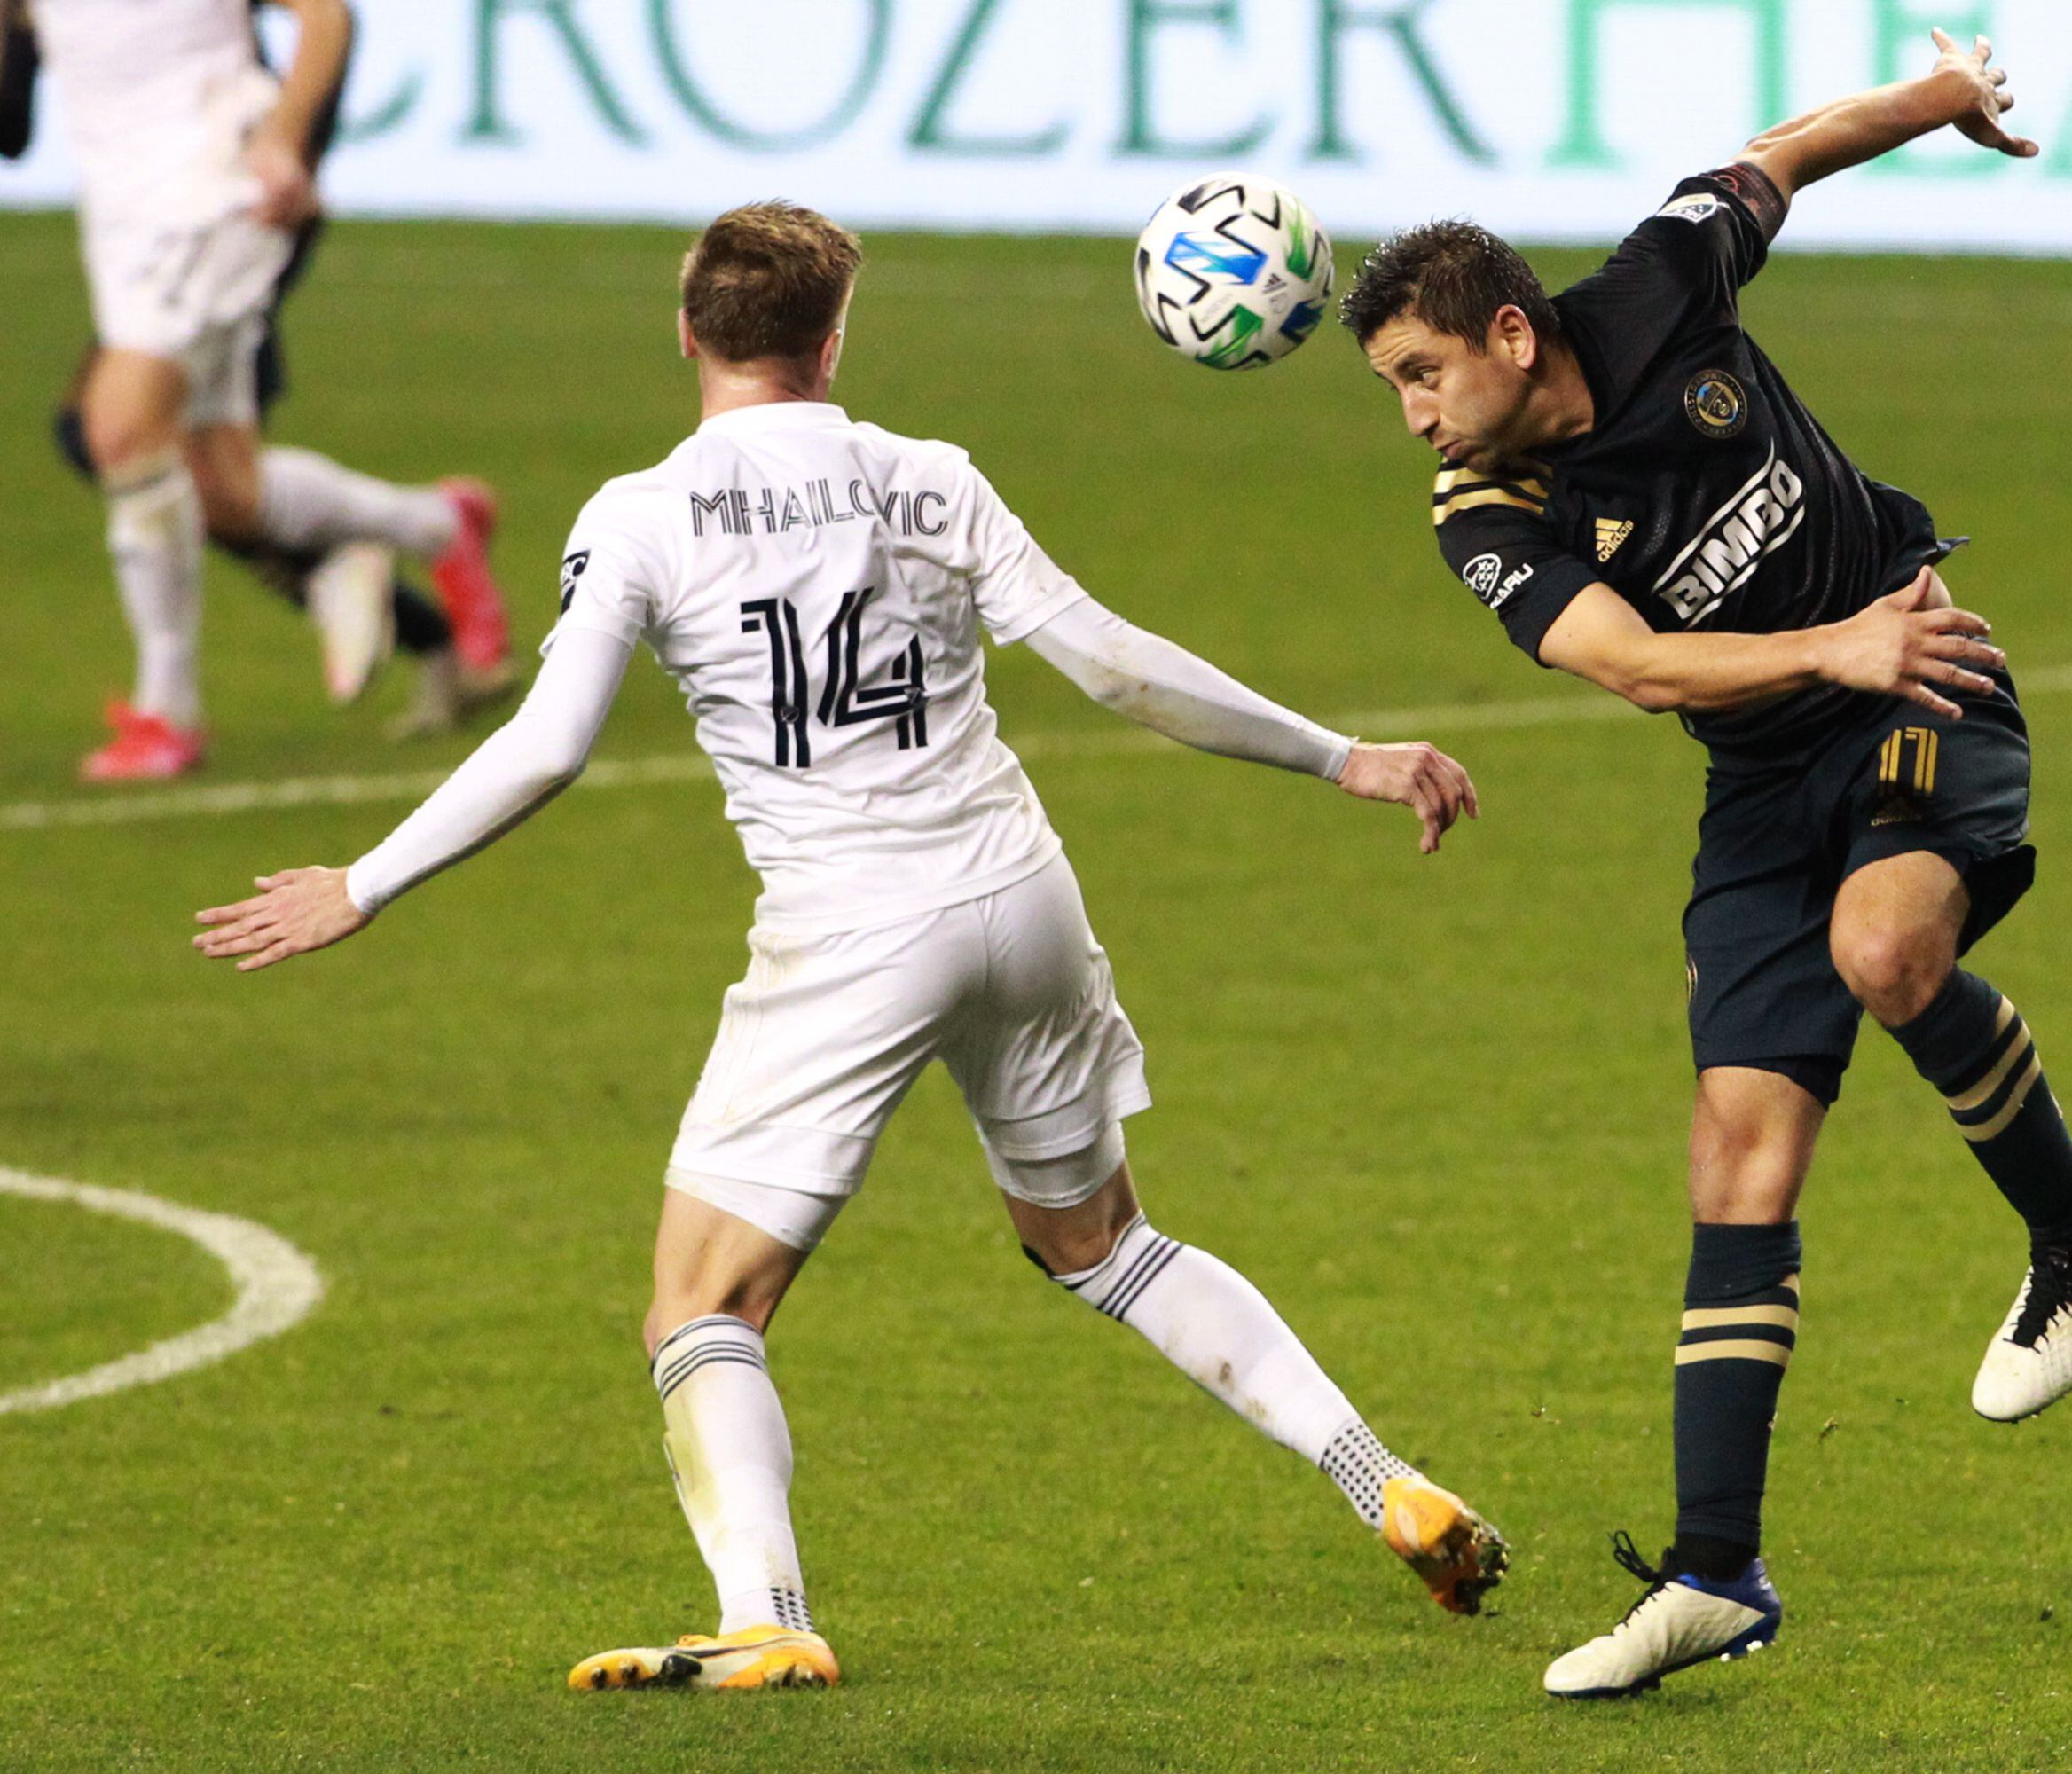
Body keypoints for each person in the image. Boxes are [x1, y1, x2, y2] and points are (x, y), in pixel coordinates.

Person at [193, 201, 1503, 1692]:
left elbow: (547, 749)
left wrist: (365, 882)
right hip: (1020, 897)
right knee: (1106, 1243)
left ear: (687, 332)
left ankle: (764, 1611)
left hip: (850, 931)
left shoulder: (641, 515)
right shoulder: (926, 479)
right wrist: (1342, 757)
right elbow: (1114, 665)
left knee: (704, 1303)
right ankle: (1377, 1473)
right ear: (833, 345)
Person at [1339, 30, 2072, 1698]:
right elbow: (1631, 663)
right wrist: (1818, 653)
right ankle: (1717, 1571)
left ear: (1510, 330)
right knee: (1736, 1156)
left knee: (1886, 950)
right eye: (1393, 394)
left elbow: (1781, 151)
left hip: (1922, 663)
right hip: (1773, 764)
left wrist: (1944, 99)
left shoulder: (1656, 285)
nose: (1416, 420)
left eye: (1423, 376)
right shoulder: (1484, 509)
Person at [14, 0, 509, 781]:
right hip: (122, 209)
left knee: (115, 430)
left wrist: (283, 140)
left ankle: (167, 713)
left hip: (217, 186)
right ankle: (439, 523)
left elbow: (326, 17)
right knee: (224, 492)